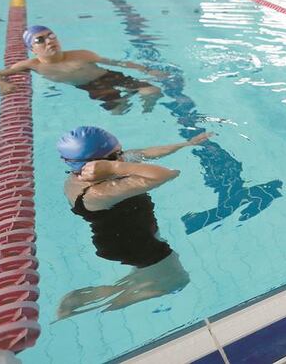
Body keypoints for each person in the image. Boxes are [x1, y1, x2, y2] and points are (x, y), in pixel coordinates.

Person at [55, 126, 211, 318]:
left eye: (120, 152)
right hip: (130, 244)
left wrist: (186, 144)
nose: (122, 158)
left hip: (136, 231)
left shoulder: (103, 167)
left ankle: (132, 283)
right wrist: (116, 167)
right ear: (93, 164)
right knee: (176, 281)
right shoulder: (96, 192)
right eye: (115, 156)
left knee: (153, 272)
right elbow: (167, 174)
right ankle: (100, 302)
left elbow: (144, 153)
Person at [0, 25, 166, 113]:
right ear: (32, 48)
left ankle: (146, 110)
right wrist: (2, 85)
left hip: (111, 77)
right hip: (93, 88)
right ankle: (129, 102)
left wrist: (147, 70)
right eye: (40, 40)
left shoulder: (81, 54)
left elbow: (117, 63)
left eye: (51, 35)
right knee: (118, 111)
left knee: (152, 90)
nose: (49, 41)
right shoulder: (32, 66)